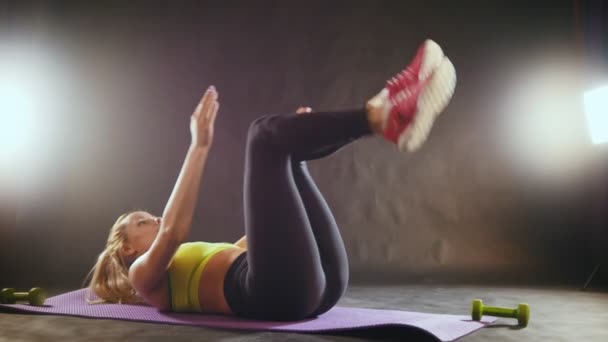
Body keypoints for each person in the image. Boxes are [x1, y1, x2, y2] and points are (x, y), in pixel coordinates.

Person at [83, 39, 456, 321]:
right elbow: (173, 232)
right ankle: (381, 116)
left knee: (285, 150)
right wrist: (199, 146)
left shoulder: (195, 260)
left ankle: (386, 118)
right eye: (142, 222)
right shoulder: (143, 276)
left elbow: (273, 233)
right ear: (128, 248)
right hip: (277, 295)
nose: (155, 219)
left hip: (316, 285)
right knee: (262, 133)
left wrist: (297, 139)